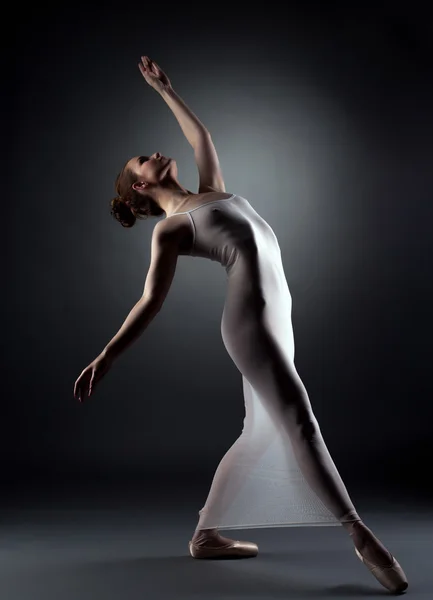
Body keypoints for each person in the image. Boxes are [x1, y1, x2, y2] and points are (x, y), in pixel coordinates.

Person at [73, 56, 408, 594]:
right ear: (138, 188)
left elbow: (201, 134)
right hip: (249, 324)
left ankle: (205, 536)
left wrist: (166, 89)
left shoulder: (210, 192)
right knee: (299, 420)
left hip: (280, 316)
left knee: (258, 435)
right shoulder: (172, 230)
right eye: (145, 160)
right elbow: (149, 302)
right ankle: (360, 533)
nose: (158, 153)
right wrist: (106, 356)